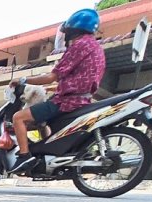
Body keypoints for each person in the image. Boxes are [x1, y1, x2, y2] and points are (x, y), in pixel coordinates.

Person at [9, 8, 106, 174]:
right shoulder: (96, 47)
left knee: (18, 117)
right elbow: (76, 79)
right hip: (83, 99)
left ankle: (24, 156)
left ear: (74, 28)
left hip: (67, 102)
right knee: (40, 120)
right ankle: (45, 153)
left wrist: (23, 80)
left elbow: (51, 76)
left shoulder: (79, 46)